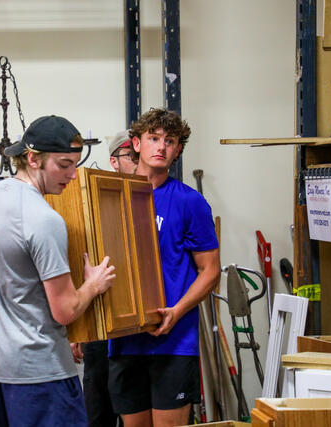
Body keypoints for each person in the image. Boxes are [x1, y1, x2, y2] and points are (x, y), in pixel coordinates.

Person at [0, 115, 116, 427]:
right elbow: (64, 310)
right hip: (40, 373)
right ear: (33, 158)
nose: (73, 176)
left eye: (75, 165)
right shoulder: (44, 219)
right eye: (64, 165)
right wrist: (93, 284)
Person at [107, 108, 221, 427]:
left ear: (178, 150)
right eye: (153, 138)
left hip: (174, 340)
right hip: (125, 339)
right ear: (136, 144)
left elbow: (210, 270)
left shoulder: (189, 202)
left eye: (169, 141)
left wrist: (177, 310)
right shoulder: (112, 197)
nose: (161, 147)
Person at [71, 129, 138, 427]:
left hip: (139, 323)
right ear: (114, 160)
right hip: (100, 322)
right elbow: (79, 258)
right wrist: (79, 327)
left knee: (137, 409)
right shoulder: (93, 199)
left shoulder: (151, 198)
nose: (138, 161)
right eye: (131, 156)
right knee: (98, 410)